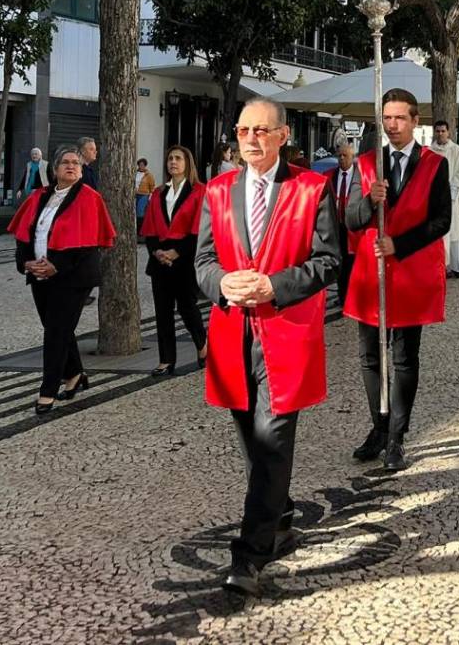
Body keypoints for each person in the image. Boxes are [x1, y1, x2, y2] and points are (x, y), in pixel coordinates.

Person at [193, 97, 339, 597]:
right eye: (243, 131)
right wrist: (224, 284)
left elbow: (328, 261)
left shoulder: (311, 188)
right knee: (253, 443)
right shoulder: (216, 191)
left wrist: (274, 285)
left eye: (261, 131)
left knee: (273, 439)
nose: (251, 139)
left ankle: (251, 555)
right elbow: (203, 262)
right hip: (233, 335)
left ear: (282, 136)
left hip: (286, 332)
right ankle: (280, 511)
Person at [345, 88, 451, 472]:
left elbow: (443, 220)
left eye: (400, 118)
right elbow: (352, 219)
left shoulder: (435, 166)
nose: (392, 125)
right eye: (386, 118)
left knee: (404, 359)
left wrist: (399, 244)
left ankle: (397, 439)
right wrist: (369, 200)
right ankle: (379, 426)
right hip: (370, 275)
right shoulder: (367, 164)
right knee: (370, 356)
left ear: (415, 121)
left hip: (410, 274)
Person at [9, 148, 115, 415]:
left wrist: (56, 265)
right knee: (59, 328)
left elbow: (88, 242)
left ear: (81, 169)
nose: (71, 166)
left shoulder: (89, 197)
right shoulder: (39, 196)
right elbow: (24, 235)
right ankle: (75, 373)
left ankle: (47, 390)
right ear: (54, 169)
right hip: (39, 274)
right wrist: (26, 263)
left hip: (73, 276)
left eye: (75, 163)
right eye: (65, 163)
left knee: (55, 331)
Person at [141, 145, 208, 377]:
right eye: (170, 158)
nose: (173, 162)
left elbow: (200, 230)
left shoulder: (200, 191)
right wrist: (158, 252)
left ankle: (202, 345)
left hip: (185, 259)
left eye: (178, 158)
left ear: (187, 163)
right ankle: (166, 359)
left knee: (187, 308)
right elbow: (149, 229)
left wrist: (176, 253)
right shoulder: (158, 192)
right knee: (162, 312)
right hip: (160, 261)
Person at [430, 120, 459, 278]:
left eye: (443, 131)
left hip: (452, 197)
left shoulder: (456, 150)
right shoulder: (429, 151)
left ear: (448, 132)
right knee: (439, 235)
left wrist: (451, 189)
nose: (440, 134)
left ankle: (457, 266)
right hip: (435, 199)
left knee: (453, 233)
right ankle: (442, 266)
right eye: (438, 131)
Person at [328, 141, 358, 309]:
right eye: (338, 156)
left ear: (352, 157)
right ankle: (342, 295)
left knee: (352, 264)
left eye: (345, 156)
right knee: (338, 263)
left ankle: (352, 296)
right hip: (335, 225)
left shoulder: (360, 176)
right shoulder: (329, 175)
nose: (341, 159)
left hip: (353, 227)